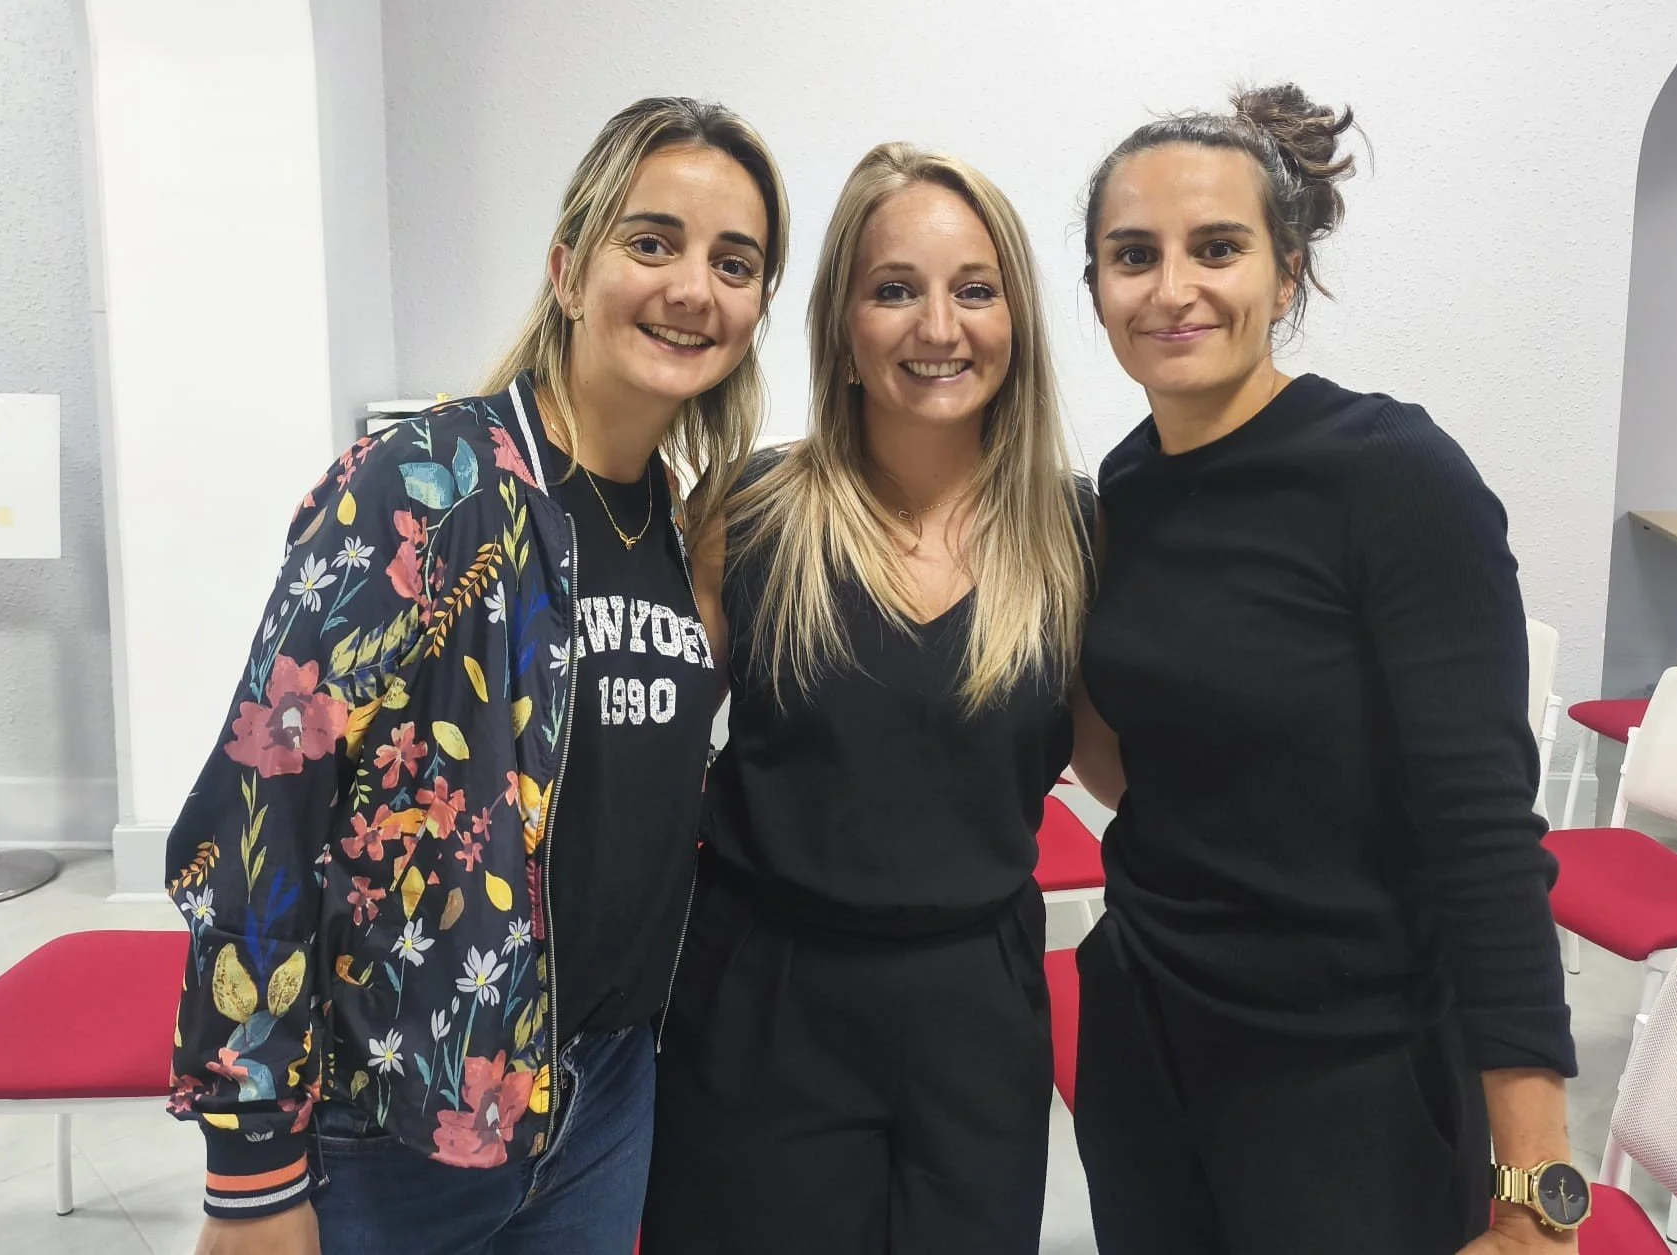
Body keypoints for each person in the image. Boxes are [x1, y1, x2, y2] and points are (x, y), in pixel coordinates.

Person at [167, 96, 789, 1255]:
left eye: (735, 261)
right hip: (400, 1119)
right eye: (652, 242)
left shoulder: (683, 526)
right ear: (568, 267)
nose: (694, 287)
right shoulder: (425, 485)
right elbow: (260, 803)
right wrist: (252, 1163)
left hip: (605, 1100)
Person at [1067, 83, 1588, 1254]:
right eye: (1133, 255)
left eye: (1217, 248)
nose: (1173, 287)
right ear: (1097, 288)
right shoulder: (1131, 481)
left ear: (1287, 274)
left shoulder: (1392, 474)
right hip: (1148, 1037)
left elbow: (1485, 832)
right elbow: (1145, 764)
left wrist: (1536, 1182)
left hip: (1347, 1068)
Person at [641, 143, 1092, 1255]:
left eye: (974, 290)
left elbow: (1145, 772)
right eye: (895, 290)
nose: (939, 326)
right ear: (843, 327)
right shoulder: (745, 514)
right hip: (765, 1000)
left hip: (977, 1010)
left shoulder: (1078, 534)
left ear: (1017, 319)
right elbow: (633, 751)